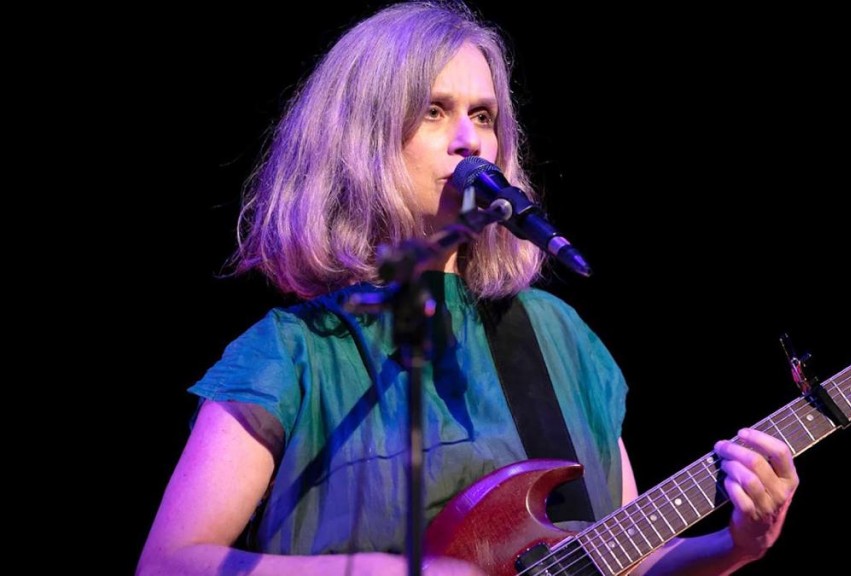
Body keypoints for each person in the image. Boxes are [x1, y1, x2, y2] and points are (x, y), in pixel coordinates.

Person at [137, 2, 799, 574]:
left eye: (483, 116)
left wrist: (737, 545)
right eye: (434, 111)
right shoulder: (291, 354)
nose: (468, 140)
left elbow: (618, 556)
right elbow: (170, 561)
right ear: (361, 140)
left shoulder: (556, 337)